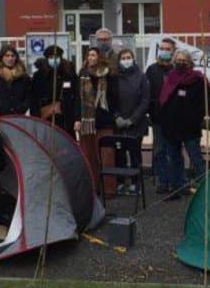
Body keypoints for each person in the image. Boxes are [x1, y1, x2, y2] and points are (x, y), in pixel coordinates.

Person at [156, 49, 210, 199]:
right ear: (174, 61)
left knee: (196, 158)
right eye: (178, 60)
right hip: (171, 127)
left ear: (190, 62)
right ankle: (178, 187)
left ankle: (206, 188)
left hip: (191, 127)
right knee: (175, 158)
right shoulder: (170, 78)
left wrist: (207, 116)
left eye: (184, 60)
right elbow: (163, 100)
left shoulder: (198, 79)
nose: (181, 62)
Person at [108, 48, 149, 194]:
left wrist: (133, 119)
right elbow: (110, 100)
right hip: (118, 123)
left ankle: (135, 183)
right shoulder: (114, 77)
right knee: (119, 154)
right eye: (123, 58)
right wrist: (117, 117)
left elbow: (145, 100)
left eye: (128, 57)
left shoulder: (141, 76)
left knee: (135, 154)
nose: (126, 60)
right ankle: (120, 182)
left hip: (136, 123)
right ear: (119, 61)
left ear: (133, 59)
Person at [78, 46, 115, 192]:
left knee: (107, 156)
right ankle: (92, 188)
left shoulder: (108, 74)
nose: (91, 58)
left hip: (104, 120)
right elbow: (78, 99)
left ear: (100, 57)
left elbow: (113, 97)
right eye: (89, 55)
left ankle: (109, 189)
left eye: (94, 55)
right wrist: (77, 118)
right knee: (89, 156)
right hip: (87, 121)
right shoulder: (82, 74)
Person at [145, 37, 176, 195]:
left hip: (174, 120)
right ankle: (163, 181)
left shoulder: (177, 70)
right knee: (159, 150)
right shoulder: (151, 70)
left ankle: (175, 182)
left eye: (167, 49)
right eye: (161, 48)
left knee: (173, 151)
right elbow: (146, 93)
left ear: (173, 52)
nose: (163, 51)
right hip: (157, 118)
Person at [29, 44, 79, 136]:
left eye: (56, 57)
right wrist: (35, 118)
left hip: (66, 118)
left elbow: (77, 96)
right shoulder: (39, 76)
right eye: (51, 57)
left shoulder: (69, 73)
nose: (54, 59)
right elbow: (33, 99)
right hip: (46, 118)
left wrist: (77, 118)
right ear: (47, 59)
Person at [0, 45, 32, 116]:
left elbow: (28, 96)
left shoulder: (23, 76)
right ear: (1, 57)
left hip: (18, 116)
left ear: (16, 57)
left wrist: (22, 108)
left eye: (12, 56)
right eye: (7, 56)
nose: (10, 58)